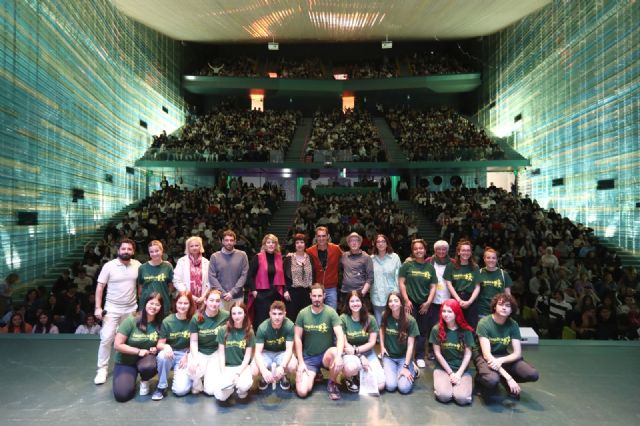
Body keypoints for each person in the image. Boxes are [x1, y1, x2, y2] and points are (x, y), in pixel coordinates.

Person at [94, 239, 141, 385]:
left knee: (129, 339)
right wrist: (98, 307)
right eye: (123, 249)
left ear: (133, 251)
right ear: (118, 250)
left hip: (131, 309)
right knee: (107, 338)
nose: (126, 251)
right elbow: (100, 287)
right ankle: (102, 369)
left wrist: (139, 307)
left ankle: (128, 365)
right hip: (112, 308)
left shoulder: (138, 265)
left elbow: (139, 287)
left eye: (129, 249)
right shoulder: (109, 266)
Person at [475, 293, 539, 398]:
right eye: (501, 304)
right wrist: (509, 378)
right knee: (492, 380)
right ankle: (480, 379)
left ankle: (502, 380)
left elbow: (517, 353)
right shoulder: (484, 323)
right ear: (494, 306)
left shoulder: (513, 324)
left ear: (511, 310)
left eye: (508, 306)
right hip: (484, 357)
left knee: (533, 374)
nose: (504, 308)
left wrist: (501, 360)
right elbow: (487, 355)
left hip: (502, 355)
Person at [294, 284, 345, 400]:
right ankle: (315, 374)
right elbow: (297, 338)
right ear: (310, 296)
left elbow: (340, 336)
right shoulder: (302, 313)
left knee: (335, 352)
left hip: (325, 356)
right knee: (302, 392)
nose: (317, 299)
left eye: (319, 296)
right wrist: (301, 362)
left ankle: (332, 382)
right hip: (309, 358)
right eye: (314, 296)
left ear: (324, 296)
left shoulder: (331, 312)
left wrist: (339, 356)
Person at [112, 292, 164, 402]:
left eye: (157, 305)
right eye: (151, 303)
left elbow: (161, 343)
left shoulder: (160, 323)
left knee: (149, 366)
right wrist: (138, 351)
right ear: (145, 303)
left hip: (145, 360)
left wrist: (156, 349)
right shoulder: (131, 320)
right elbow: (117, 345)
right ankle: (130, 378)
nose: (153, 307)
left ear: (161, 307)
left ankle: (145, 380)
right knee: (122, 396)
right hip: (126, 361)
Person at [398, 239, 437, 368]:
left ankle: (419, 356)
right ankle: (404, 354)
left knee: (422, 330)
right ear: (412, 251)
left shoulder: (430, 267)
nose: (418, 250)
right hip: (410, 302)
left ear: (425, 250)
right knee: (407, 328)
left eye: (421, 248)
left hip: (424, 304)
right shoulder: (407, 265)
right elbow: (402, 283)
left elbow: (433, 286)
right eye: (415, 249)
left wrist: (428, 302)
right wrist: (406, 300)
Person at [429, 299, 475, 405]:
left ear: (456, 312)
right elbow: (438, 354)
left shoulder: (466, 331)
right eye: (444, 311)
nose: (446, 314)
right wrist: (450, 373)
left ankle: (459, 387)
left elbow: (468, 354)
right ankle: (445, 387)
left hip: (461, 369)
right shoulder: (436, 329)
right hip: (443, 368)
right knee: (444, 396)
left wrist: (458, 374)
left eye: (450, 311)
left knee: (462, 399)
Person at [153, 291, 196, 400]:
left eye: (186, 303)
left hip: (185, 354)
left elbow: (195, 342)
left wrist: (187, 355)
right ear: (175, 303)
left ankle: (192, 380)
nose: (182, 306)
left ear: (190, 304)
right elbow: (159, 344)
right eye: (180, 303)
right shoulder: (167, 321)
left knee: (180, 391)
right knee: (162, 356)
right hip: (171, 353)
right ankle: (161, 386)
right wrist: (166, 347)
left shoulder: (193, 320)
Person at [340, 291, 385, 393]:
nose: (355, 304)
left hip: (367, 352)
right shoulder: (343, 318)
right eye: (352, 301)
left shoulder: (370, 319)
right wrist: (359, 356)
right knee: (351, 367)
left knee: (381, 386)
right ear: (348, 303)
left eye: (357, 300)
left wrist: (357, 351)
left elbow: (372, 342)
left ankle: (361, 373)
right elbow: (344, 343)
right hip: (349, 353)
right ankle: (349, 376)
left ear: (362, 302)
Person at [188, 289, 229, 395]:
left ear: (220, 302)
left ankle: (207, 377)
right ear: (205, 301)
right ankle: (198, 381)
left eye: (217, 301)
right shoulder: (196, 318)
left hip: (216, 352)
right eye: (211, 300)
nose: (214, 303)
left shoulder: (226, 316)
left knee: (210, 391)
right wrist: (195, 359)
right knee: (193, 371)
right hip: (201, 351)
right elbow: (193, 341)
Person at [251, 301, 297, 391]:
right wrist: (263, 370)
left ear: (284, 314)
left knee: (293, 366)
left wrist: (282, 366)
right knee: (254, 370)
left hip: (282, 352)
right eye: (274, 314)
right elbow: (257, 352)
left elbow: (289, 350)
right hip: (266, 352)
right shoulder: (262, 328)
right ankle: (265, 376)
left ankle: (283, 376)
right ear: (270, 314)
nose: (277, 317)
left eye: (280, 314)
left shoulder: (290, 326)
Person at [214, 302, 255, 402]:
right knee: (220, 397)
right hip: (227, 367)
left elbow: (247, 357)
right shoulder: (223, 330)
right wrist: (223, 373)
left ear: (245, 313)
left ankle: (240, 390)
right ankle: (231, 388)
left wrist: (238, 373)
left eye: (239, 313)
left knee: (244, 386)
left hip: (242, 367)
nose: (236, 316)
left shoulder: (249, 331)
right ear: (231, 315)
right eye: (234, 313)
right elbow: (221, 354)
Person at [379, 292, 419, 394]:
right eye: (390, 301)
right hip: (389, 356)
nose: (393, 303)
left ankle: (412, 368)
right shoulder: (385, 315)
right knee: (390, 386)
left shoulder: (410, 321)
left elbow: (410, 345)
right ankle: (394, 370)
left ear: (401, 303)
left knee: (404, 388)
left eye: (396, 300)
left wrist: (405, 367)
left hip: (403, 358)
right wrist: (382, 347)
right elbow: (381, 330)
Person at [247, 234, 285, 330]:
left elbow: (282, 276)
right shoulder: (258, 257)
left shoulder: (279, 257)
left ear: (276, 245)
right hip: (262, 295)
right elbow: (250, 276)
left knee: (275, 320)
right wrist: (254, 291)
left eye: (273, 242)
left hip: (276, 294)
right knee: (261, 321)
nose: (271, 245)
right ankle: (259, 343)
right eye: (268, 242)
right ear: (264, 244)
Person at [208, 230, 249, 310]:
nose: (229, 242)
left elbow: (244, 275)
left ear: (235, 242)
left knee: (237, 321)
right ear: (222, 241)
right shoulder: (214, 256)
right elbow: (212, 277)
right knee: (221, 322)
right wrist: (223, 293)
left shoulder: (242, 255)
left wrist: (232, 293)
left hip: (237, 296)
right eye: (226, 240)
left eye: (231, 240)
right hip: (219, 297)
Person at [445, 239, 482, 328]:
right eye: (463, 250)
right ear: (458, 252)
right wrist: (459, 300)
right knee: (455, 326)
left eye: (468, 250)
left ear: (471, 252)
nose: (466, 252)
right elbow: (449, 285)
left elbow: (477, 287)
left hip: (471, 299)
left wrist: (469, 301)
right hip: (456, 298)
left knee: (471, 327)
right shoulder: (450, 266)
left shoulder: (475, 267)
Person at [425, 240, 452, 360]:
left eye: (444, 249)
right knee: (433, 326)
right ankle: (432, 350)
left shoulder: (453, 263)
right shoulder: (428, 261)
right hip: (433, 299)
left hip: (448, 298)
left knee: (447, 325)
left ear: (447, 250)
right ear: (434, 250)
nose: (441, 251)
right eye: (438, 249)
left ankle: (446, 350)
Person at [306, 227, 343, 309]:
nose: (321, 238)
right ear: (315, 237)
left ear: (328, 236)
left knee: (332, 313)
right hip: (316, 288)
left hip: (331, 288)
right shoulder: (309, 251)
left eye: (323, 236)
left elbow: (346, 258)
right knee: (317, 312)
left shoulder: (336, 249)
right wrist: (292, 255)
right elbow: (301, 258)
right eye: (319, 236)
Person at [283, 233, 315, 322]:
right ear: (294, 245)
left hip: (307, 293)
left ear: (305, 244)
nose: (299, 244)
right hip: (292, 293)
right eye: (297, 242)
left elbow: (313, 276)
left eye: (302, 242)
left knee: (306, 318)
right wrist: (285, 290)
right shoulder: (288, 258)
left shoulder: (310, 258)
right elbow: (282, 276)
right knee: (292, 318)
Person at [370, 234, 401, 327]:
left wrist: (396, 292)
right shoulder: (371, 259)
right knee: (379, 322)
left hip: (391, 295)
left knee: (393, 320)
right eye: (378, 242)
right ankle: (381, 340)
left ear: (387, 243)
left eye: (383, 241)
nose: (381, 244)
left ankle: (392, 339)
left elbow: (398, 276)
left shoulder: (395, 257)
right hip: (377, 294)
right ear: (375, 244)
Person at [137, 240, 174, 315]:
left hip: (163, 305)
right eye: (151, 252)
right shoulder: (142, 267)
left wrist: (164, 295)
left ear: (162, 250)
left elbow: (171, 285)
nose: (154, 254)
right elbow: (140, 287)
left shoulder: (168, 266)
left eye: (157, 251)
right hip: (146, 305)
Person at [174, 236, 210, 308]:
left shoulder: (207, 262)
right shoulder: (181, 261)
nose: (194, 248)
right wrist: (191, 296)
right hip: (186, 298)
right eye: (191, 246)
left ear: (201, 246)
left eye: (197, 245)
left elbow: (210, 282)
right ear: (188, 248)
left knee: (201, 319)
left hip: (202, 299)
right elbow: (177, 281)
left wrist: (203, 297)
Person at [478, 247, 512, 317]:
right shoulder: (479, 273)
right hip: (482, 311)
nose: (491, 260)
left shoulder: (503, 274)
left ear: (496, 260)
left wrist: (509, 308)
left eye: (493, 258)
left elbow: (508, 295)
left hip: (499, 310)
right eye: (488, 258)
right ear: (484, 259)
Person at [340, 232, 374, 300]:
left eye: (356, 240)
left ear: (360, 243)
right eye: (352, 241)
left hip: (360, 293)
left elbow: (370, 278)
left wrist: (362, 293)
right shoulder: (344, 256)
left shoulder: (366, 257)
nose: (354, 243)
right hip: (345, 292)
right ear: (348, 243)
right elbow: (340, 271)